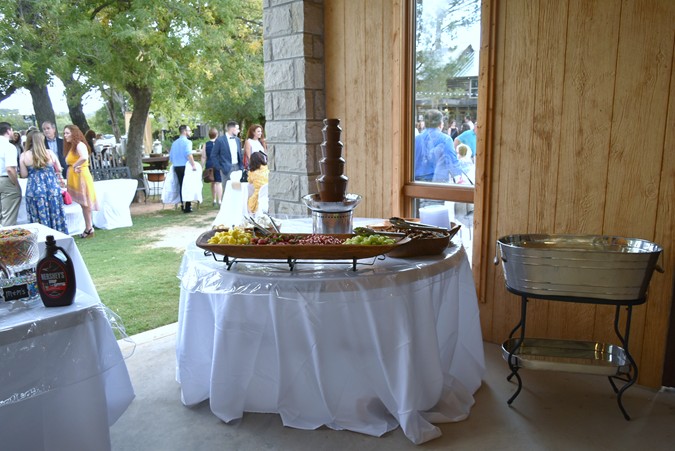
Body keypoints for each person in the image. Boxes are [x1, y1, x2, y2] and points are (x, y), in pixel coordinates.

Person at [19, 132, 68, 234]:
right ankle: (58, 234)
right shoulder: (49, 153)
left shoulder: (24, 156)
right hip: (51, 187)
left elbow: (23, 174)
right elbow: (58, 169)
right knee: (55, 213)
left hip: (35, 189)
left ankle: (42, 236)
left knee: (38, 215)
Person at [64, 125, 98, 238]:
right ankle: (88, 227)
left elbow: (84, 157)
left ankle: (89, 228)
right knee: (83, 204)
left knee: (85, 203)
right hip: (75, 176)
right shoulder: (72, 146)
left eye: (67, 133)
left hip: (81, 176)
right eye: (64, 133)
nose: (65, 136)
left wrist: (75, 165)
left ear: (74, 133)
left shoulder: (79, 145)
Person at [414, 110, 460, 183]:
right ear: (440, 124)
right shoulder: (446, 139)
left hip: (415, 183)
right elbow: (453, 164)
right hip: (437, 184)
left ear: (425, 124)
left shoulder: (416, 139)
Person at [169, 124, 197, 213]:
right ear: (185, 131)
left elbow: (171, 157)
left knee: (181, 185)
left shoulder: (174, 143)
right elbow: (189, 154)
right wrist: (193, 165)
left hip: (176, 166)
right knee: (187, 185)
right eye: (189, 130)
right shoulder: (188, 142)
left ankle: (182, 204)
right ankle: (188, 205)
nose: (190, 132)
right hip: (185, 166)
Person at [0, 122, 22, 226]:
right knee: (9, 216)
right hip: (6, 180)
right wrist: (16, 184)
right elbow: (10, 168)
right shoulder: (9, 147)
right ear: (8, 131)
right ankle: (5, 240)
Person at [200, 127, 222, 206]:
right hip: (218, 164)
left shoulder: (205, 144)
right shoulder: (220, 143)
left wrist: (202, 166)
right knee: (218, 182)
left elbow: (203, 157)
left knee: (212, 182)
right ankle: (220, 200)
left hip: (209, 164)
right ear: (217, 134)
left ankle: (214, 200)